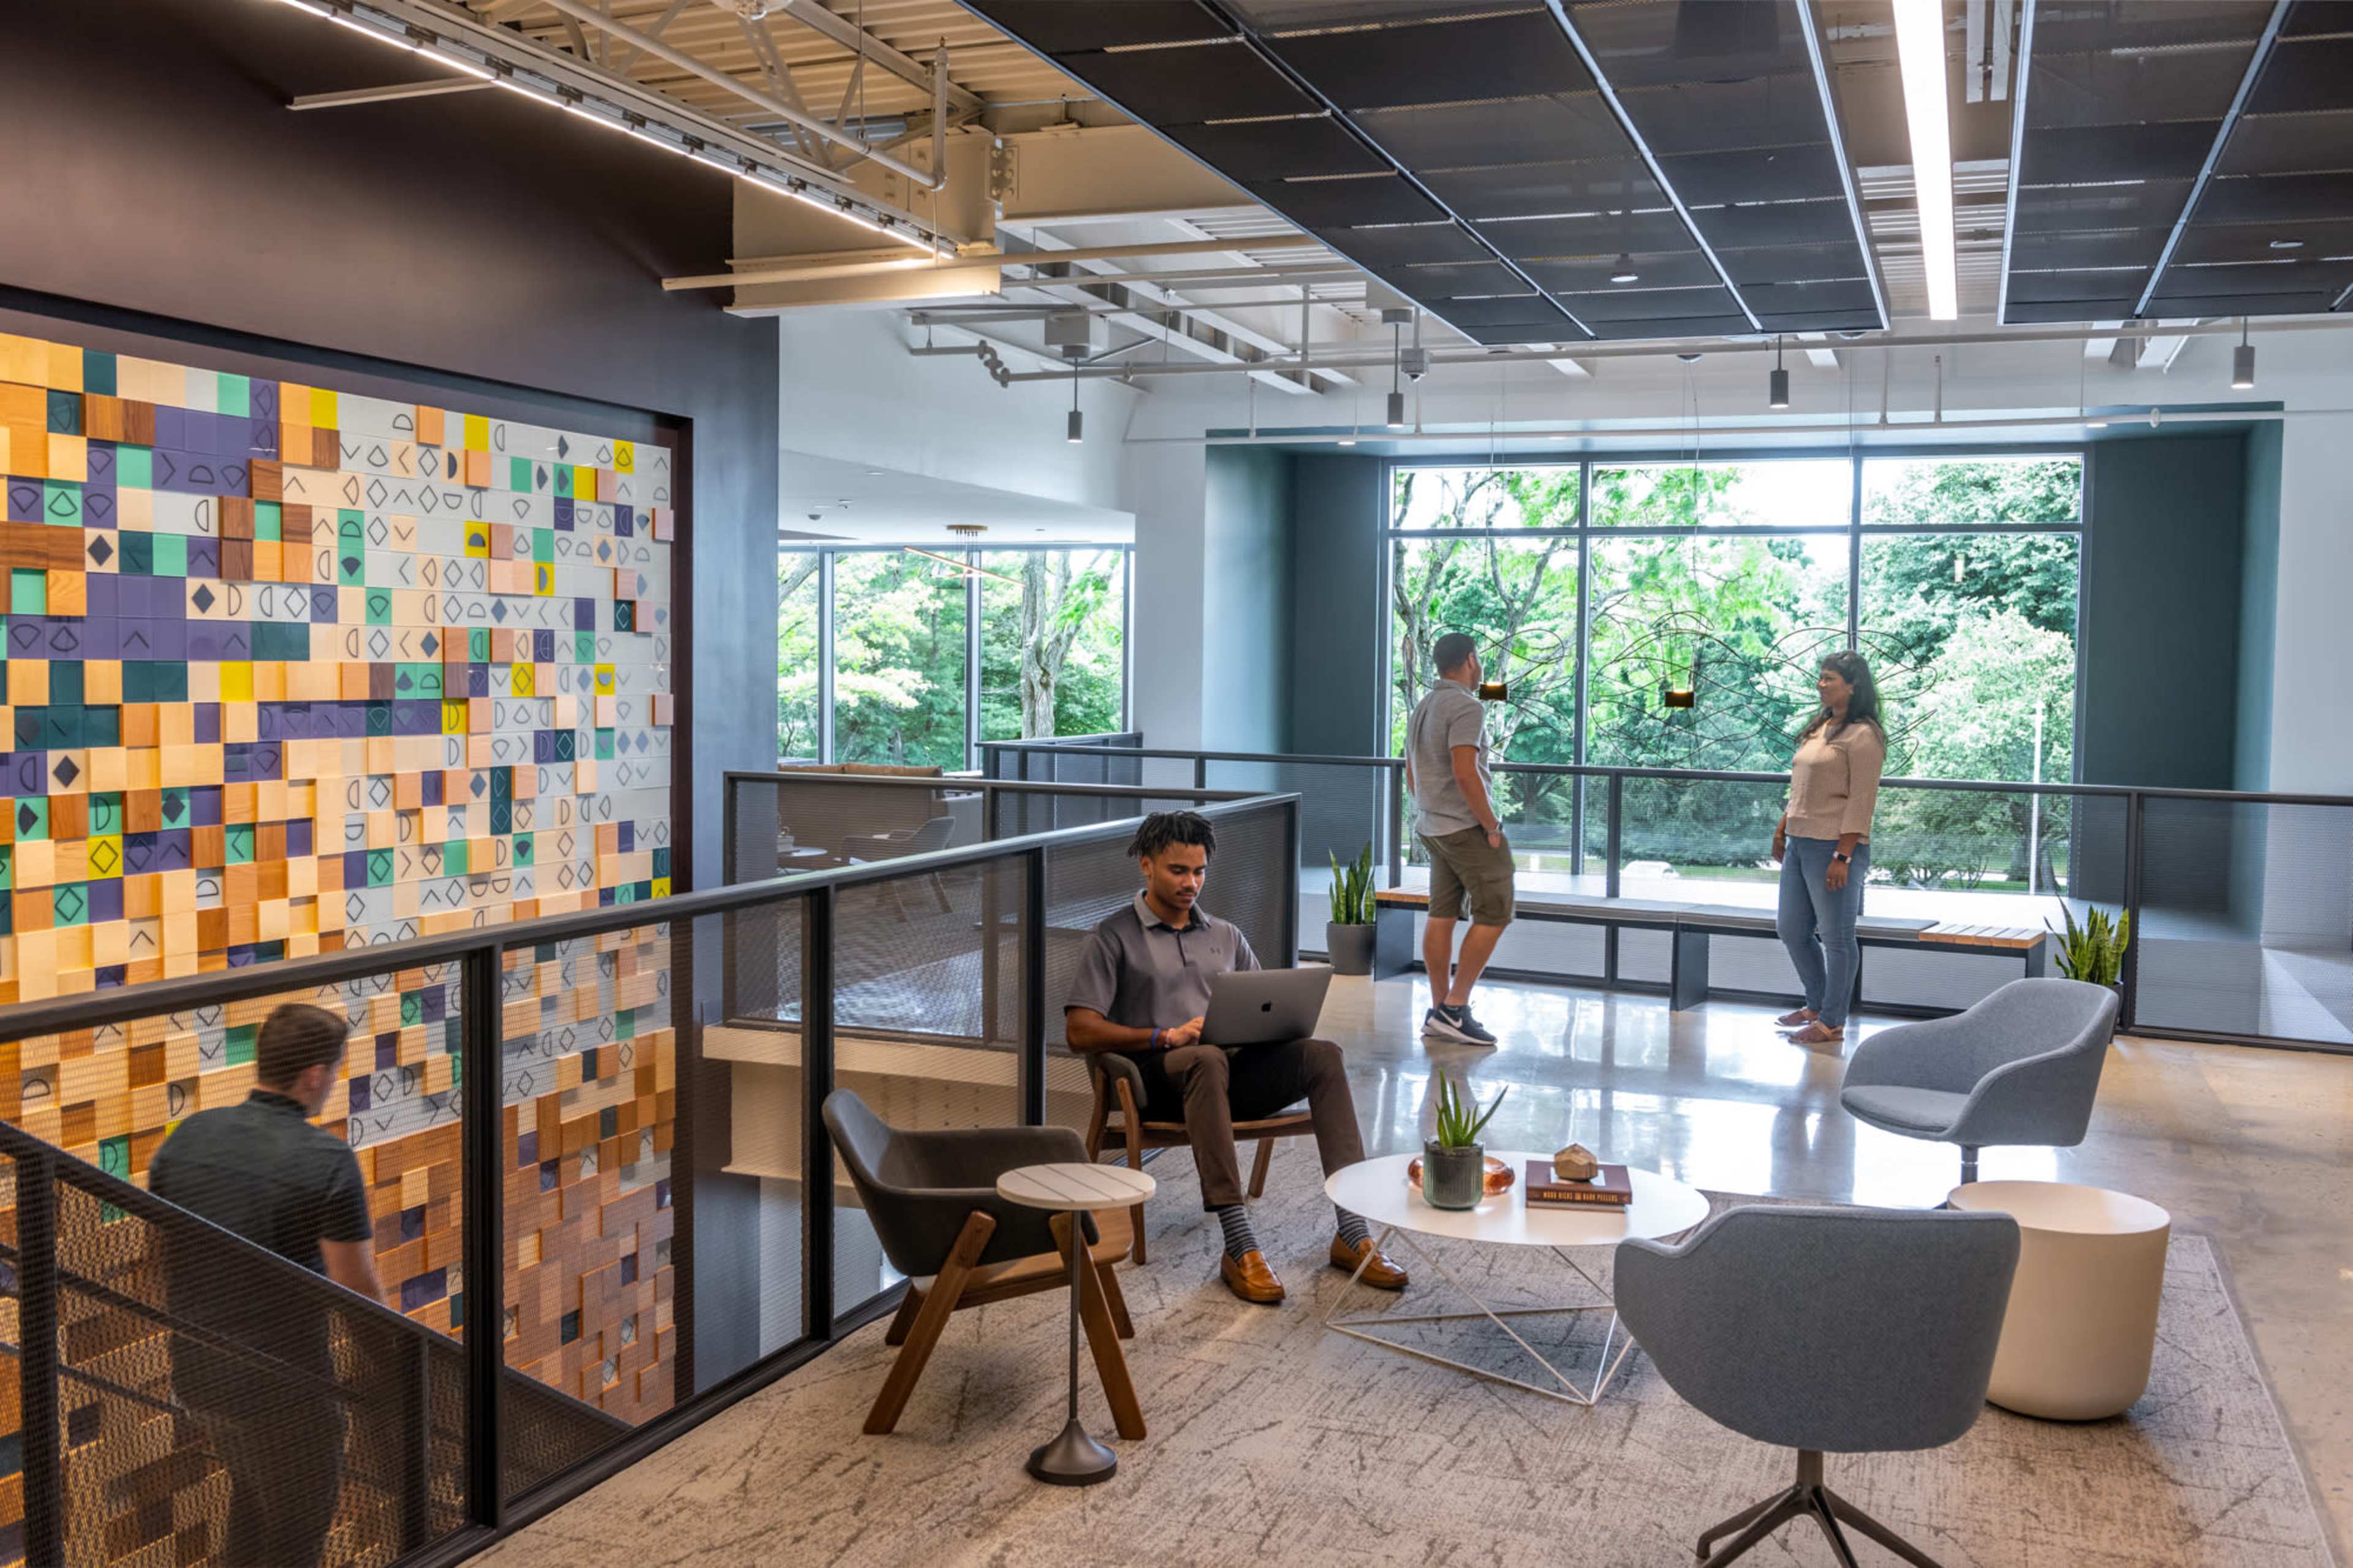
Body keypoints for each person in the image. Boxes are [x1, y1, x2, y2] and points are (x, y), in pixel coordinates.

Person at [1064, 811, 1408, 1306]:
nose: (1192, 883)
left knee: (1324, 1056)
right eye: (1178, 870)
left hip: (1229, 1075)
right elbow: (1080, 1030)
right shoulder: (1113, 935)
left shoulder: (1225, 935)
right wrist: (1165, 1036)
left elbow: (1264, 1004)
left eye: (1200, 871)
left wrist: (1277, 1025)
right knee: (1204, 1058)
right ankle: (1239, 1243)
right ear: (1146, 865)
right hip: (1158, 1081)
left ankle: (1352, 1231)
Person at [149, 1003, 380, 1568]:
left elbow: (162, 1257)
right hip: (287, 1391)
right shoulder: (327, 1161)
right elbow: (358, 1294)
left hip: (199, 1380)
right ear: (316, 1076)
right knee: (295, 1540)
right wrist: (398, 1368)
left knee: (256, 1509)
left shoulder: (187, 1136)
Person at [1402, 631, 1515, 1045]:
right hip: (1464, 828)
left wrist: (1431, 809)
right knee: (1497, 908)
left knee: (1442, 913)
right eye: (1479, 659)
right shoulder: (1466, 706)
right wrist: (1490, 826)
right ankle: (1455, 1007)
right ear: (1470, 660)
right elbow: (1466, 773)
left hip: (1432, 826)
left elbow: (1411, 773)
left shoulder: (1423, 705)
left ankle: (1440, 1011)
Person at [1772, 651, 1887, 1047]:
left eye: (1830, 678)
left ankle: (1832, 1021)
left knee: (1837, 937)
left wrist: (1843, 855)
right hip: (1801, 842)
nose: (1821, 684)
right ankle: (1817, 1004)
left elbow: (1862, 799)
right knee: (1790, 927)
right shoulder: (1820, 727)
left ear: (1853, 686)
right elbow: (1801, 785)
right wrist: (1783, 826)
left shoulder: (1864, 734)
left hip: (1834, 846)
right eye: (1820, 677)